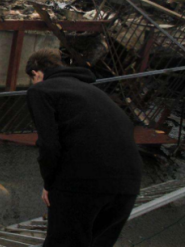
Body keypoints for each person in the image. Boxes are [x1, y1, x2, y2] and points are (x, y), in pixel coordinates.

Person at [25, 48, 142, 247]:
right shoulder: (94, 91)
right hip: (129, 183)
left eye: (32, 78)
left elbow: (49, 145)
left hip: (83, 182)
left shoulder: (41, 90)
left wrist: (49, 183)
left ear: (36, 73)